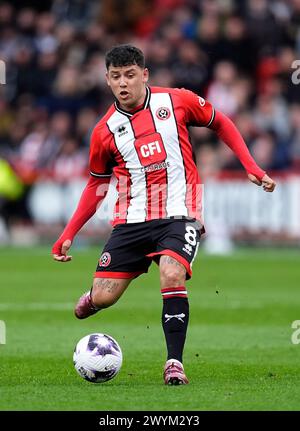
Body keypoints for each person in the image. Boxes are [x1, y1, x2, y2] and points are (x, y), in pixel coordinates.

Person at [52, 44, 276, 385]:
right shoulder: (104, 131)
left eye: (130, 75)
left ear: (145, 74)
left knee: (171, 274)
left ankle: (174, 362)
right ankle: (94, 299)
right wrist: (68, 233)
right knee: (104, 296)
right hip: (131, 220)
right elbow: (95, 185)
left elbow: (221, 122)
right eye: (116, 77)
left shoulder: (177, 101)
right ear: (107, 81)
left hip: (180, 213)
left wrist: (251, 165)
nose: (123, 83)